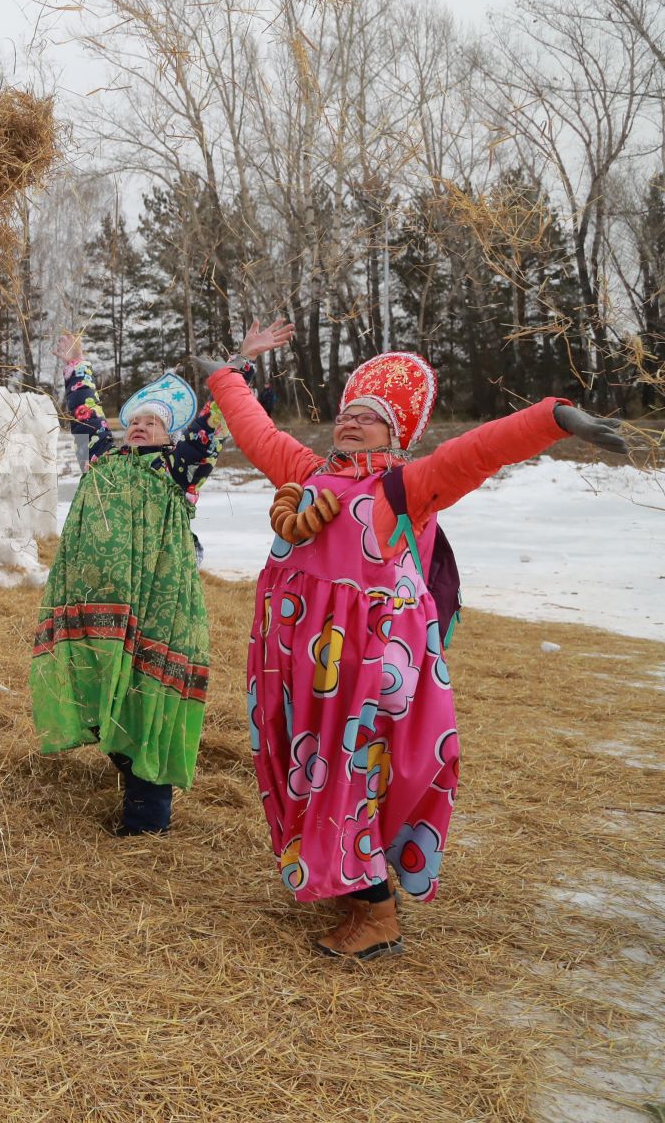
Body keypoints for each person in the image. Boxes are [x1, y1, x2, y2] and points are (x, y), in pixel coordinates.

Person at [199, 332, 629, 960]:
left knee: (351, 774)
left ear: (396, 435)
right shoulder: (306, 475)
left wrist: (554, 419)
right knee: (310, 769)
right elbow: (256, 431)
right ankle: (350, 890)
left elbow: (476, 452)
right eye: (348, 412)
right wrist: (225, 378)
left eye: (370, 418)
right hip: (297, 660)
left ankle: (377, 918)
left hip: (359, 668)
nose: (353, 422)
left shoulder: (404, 489)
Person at [31, 324, 286, 835]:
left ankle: (147, 821)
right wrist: (75, 365)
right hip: (99, 608)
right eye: (136, 420)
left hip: (155, 606)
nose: (142, 426)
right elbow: (83, 410)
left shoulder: (179, 467)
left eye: (155, 421)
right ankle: (127, 769)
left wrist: (244, 361)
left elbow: (217, 419)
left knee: (146, 696)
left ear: (174, 436)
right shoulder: (100, 459)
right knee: (105, 697)